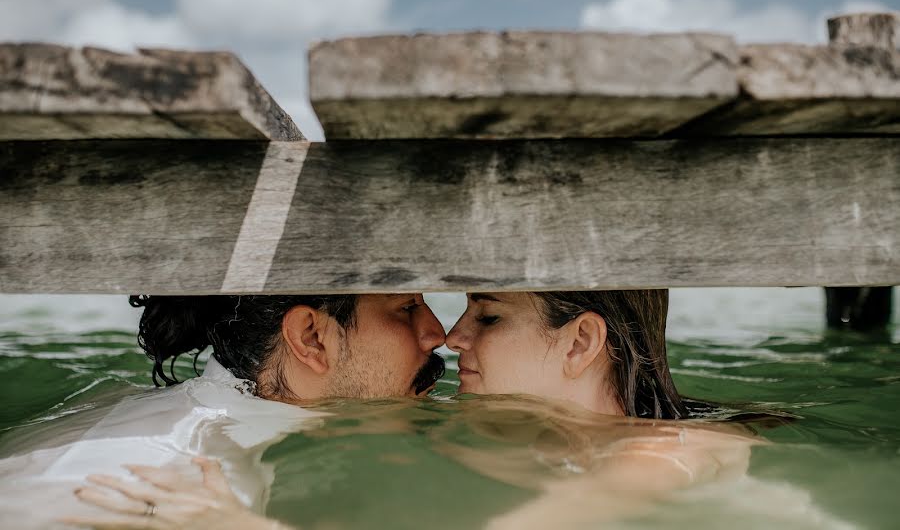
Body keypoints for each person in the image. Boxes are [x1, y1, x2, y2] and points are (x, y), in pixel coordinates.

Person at [63, 290, 780, 530]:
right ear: (311, 337)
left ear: (581, 342)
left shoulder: (665, 454)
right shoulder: (511, 445)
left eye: (489, 317)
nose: (449, 334)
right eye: (411, 307)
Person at [0, 293, 446, 529]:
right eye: (406, 308)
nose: (436, 332)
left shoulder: (124, 403)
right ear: (311, 336)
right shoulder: (193, 486)